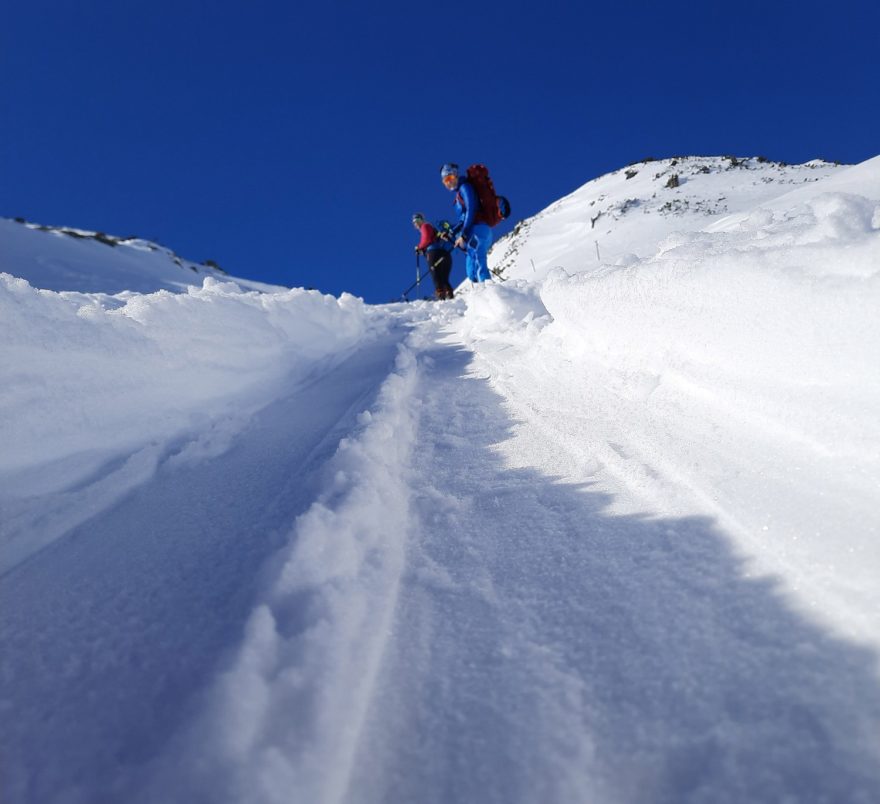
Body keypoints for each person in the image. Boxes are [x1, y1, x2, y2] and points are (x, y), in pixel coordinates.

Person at [440, 163, 492, 283]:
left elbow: (471, 208)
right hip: (472, 231)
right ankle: (481, 295)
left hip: (478, 230)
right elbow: (463, 220)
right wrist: (451, 233)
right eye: (445, 181)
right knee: (471, 272)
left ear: (456, 175)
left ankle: (489, 290)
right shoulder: (459, 195)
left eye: (450, 178)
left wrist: (463, 234)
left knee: (478, 261)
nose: (448, 182)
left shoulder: (465, 187)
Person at [413, 213, 455, 300]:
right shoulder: (433, 229)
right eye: (414, 222)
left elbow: (426, 239)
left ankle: (441, 295)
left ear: (421, 220)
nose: (416, 224)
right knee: (443, 277)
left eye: (417, 221)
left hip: (433, 253)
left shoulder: (425, 226)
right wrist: (422, 250)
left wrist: (419, 247)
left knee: (435, 275)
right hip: (445, 254)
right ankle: (449, 295)